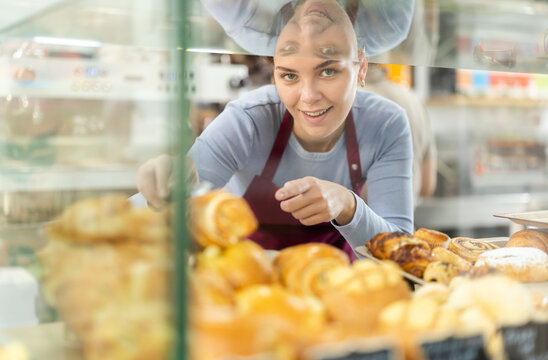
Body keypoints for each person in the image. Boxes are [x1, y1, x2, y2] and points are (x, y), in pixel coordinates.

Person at [137, 0, 414, 259]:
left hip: (335, 294)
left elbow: (402, 249)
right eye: (290, 75)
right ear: (274, 76)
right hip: (248, 290)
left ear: (361, 68)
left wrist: (347, 206)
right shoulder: (247, 120)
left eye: (328, 71)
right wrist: (160, 193)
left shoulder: (385, 124)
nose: (308, 96)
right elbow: (173, 207)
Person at [363, 63, 437, 204]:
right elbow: (427, 186)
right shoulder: (413, 100)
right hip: (405, 222)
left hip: (351, 224)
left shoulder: (341, 101)